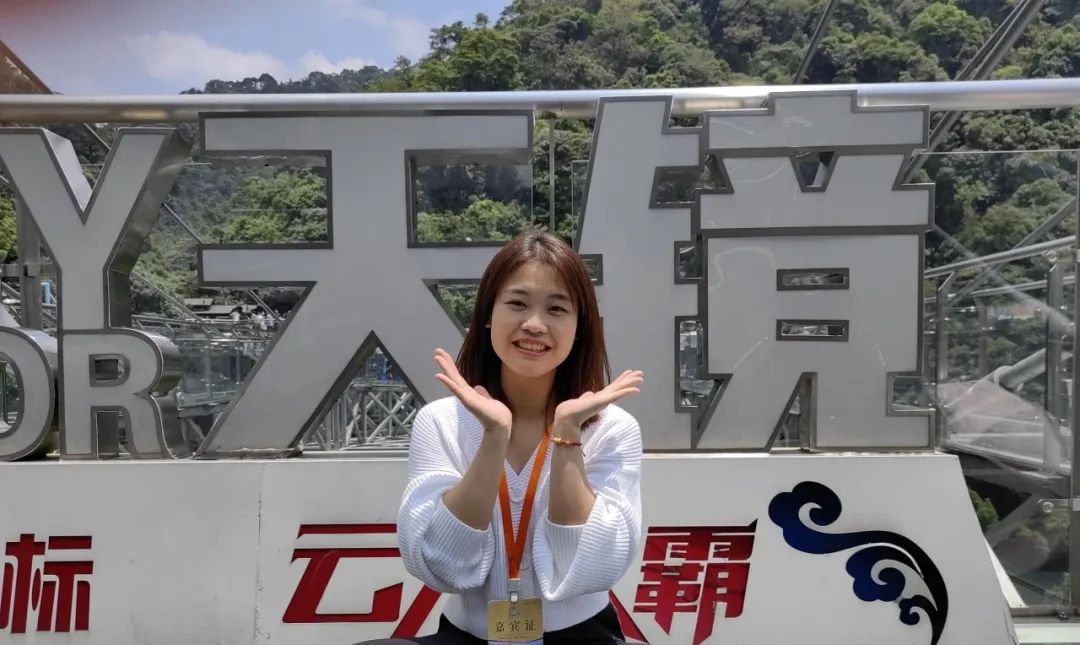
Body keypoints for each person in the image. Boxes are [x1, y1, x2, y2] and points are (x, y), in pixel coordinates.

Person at [359, 231, 643, 644]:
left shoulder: (612, 428)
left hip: (582, 635)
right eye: (517, 303)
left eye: (557, 308)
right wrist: (494, 436)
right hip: (469, 635)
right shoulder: (440, 422)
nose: (534, 325)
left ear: (580, 327)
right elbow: (440, 565)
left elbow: (592, 567)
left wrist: (567, 434)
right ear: (488, 314)